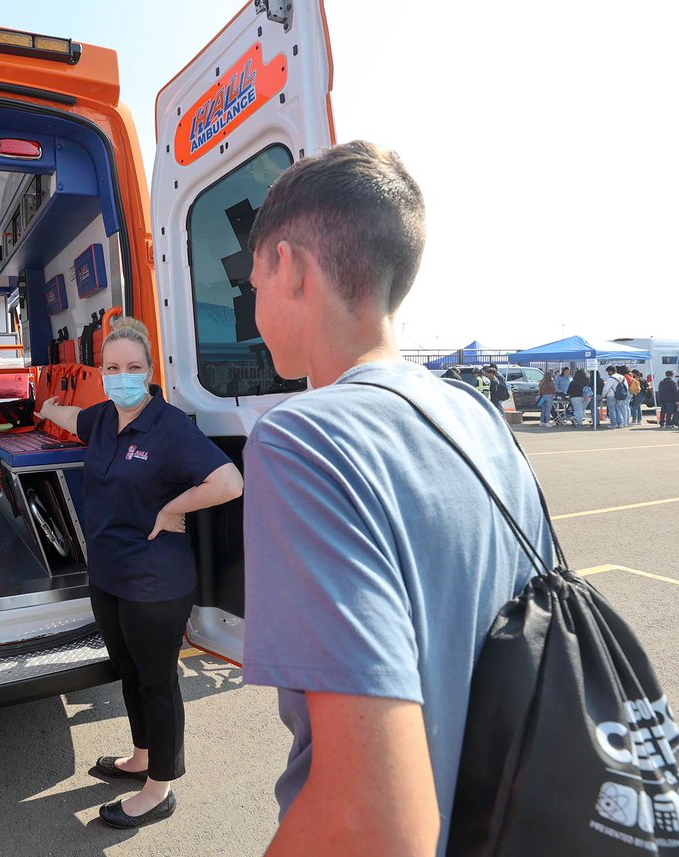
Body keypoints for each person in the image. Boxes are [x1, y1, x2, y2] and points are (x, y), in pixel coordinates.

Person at [241, 140, 553, 855]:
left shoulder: (303, 440)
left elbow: (373, 824)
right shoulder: (476, 415)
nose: (253, 304)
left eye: (253, 280)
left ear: (288, 266)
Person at [37, 317, 244, 829]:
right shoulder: (103, 418)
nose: (122, 376)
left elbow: (229, 481)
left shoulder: (169, 425)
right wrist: (43, 407)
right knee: (128, 673)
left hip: (155, 582)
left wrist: (174, 507)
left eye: (133, 367)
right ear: (102, 373)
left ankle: (160, 787)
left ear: (150, 372)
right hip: (107, 575)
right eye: (112, 368)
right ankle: (142, 755)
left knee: (157, 682)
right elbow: (69, 415)